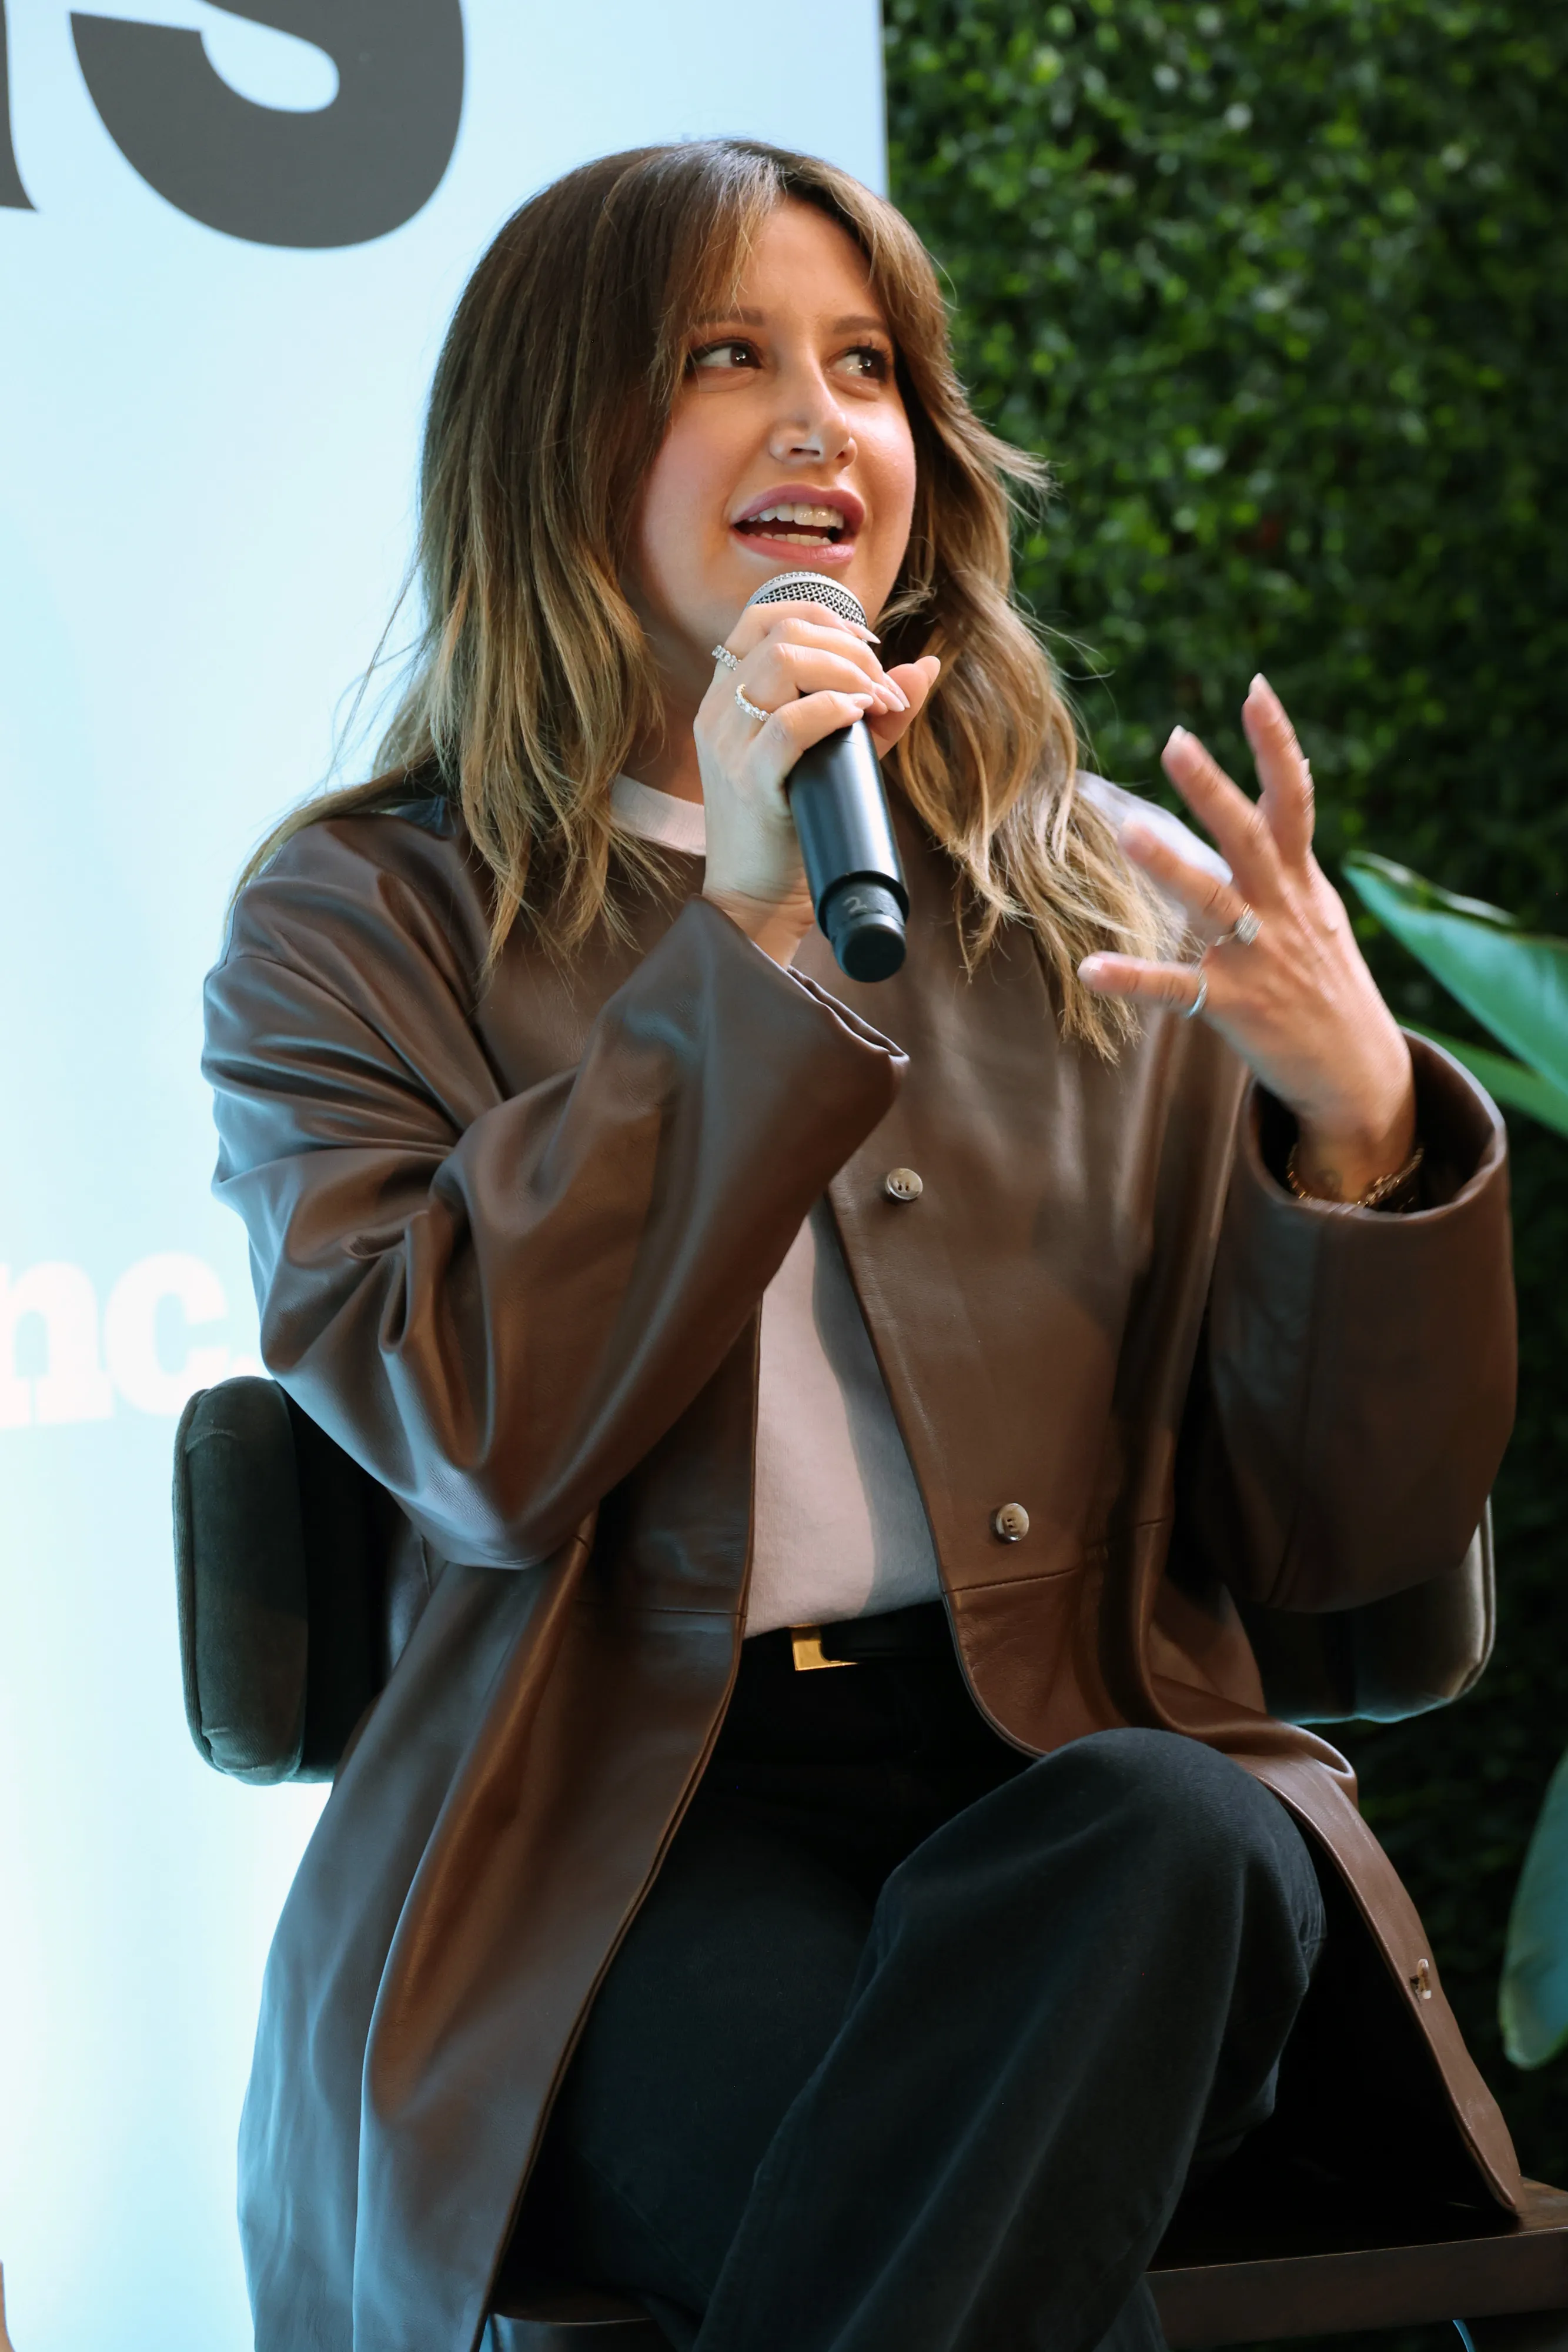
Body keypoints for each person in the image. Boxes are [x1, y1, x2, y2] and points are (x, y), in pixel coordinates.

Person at [202, 140, 1520, 2352]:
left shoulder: (1099, 898)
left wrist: (1361, 1130)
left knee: (1180, 1841)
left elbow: (1339, 1550)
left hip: (1080, 1792)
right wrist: (749, 933)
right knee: (959, 2192)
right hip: (620, 1847)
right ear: (557, 444)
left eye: (871, 369)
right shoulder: (361, 925)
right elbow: (481, 1431)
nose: (824, 422)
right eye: (728, 358)